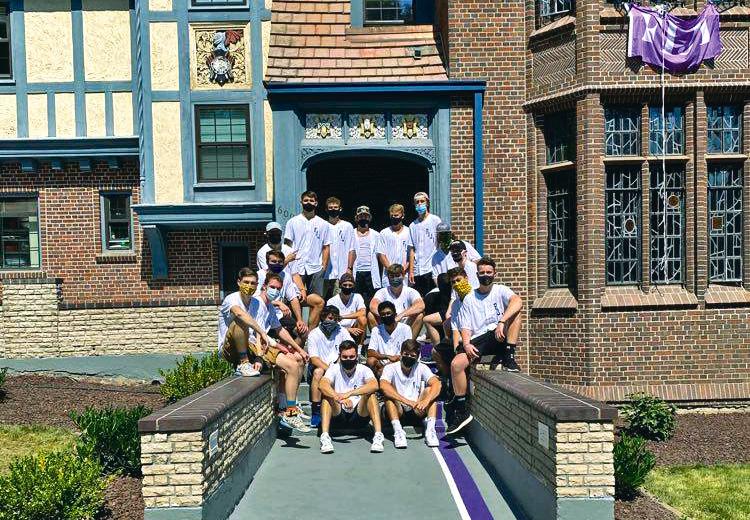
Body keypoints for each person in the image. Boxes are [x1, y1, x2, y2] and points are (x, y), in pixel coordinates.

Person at [219, 269, 310, 432]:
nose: (249, 286)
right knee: (241, 320)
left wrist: (260, 357)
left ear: (257, 285)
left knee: (293, 365)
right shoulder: (231, 299)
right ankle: (243, 363)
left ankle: (290, 412)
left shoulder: (257, 304)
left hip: (253, 346)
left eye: (253, 283)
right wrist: (262, 334)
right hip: (231, 348)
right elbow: (241, 315)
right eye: (246, 282)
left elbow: (263, 333)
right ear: (239, 282)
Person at [446, 257, 524, 436]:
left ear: (495, 274)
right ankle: (462, 409)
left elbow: (518, 301)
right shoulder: (469, 298)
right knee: (456, 365)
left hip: (499, 335)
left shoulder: (501, 290)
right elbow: (465, 326)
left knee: (516, 312)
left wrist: (502, 321)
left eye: (489, 272)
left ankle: (509, 357)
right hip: (479, 339)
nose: (485, 275)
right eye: (482, 273)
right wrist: (466, 344)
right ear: (477, 275)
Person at [318, 341, 384, 454]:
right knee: (327, 397)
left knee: (371, 394)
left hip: (359, 414)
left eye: (351, 356)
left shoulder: (364, 369)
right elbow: (322, 385)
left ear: (357, 356)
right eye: (345, 357)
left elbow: (374, 385)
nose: (348, 359)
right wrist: (339, 398)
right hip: (338, 413)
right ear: (339, 356)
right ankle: (325, 437)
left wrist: (349, 394)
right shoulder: (333, 369)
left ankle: (378, 435)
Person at [380, 339, 441, 448]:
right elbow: (383, 386)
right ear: (401, 353)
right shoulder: (390, 368)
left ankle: (430, 431)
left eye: (412, 356)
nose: (409, 357)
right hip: (398, 409)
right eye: (406, 354)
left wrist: (426, 401)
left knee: (430, 391)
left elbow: (437, 384)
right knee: (388, 396)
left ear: (417, 357)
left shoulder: (422, 367)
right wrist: (406, 401)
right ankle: (398, 431)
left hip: (416, 409)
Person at [284, 190, 330, 327]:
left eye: (311, 201)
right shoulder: (292, 222)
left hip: (315, 267)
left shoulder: (323, 224)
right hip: (297, 267)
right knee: (294, 298)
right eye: (306, 200)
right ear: (301, 202)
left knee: (316, 301)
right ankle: (295, 329)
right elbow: (287, 245)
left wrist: (324, 266)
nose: (308, 203)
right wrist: (289, 263)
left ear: (316, 203)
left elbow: (326, 246)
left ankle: (312, 332)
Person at [307, 306, 354, 428]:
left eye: (334, 319)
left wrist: (339, 364)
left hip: (338, 365)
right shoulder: (314, 334)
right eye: (329, 318)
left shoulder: (342, 331)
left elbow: (350, 347)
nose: (331, 321)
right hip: (321, 367)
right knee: (318, 372)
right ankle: (316, 411)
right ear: (323, 317)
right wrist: (331, 370)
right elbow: (314, 359)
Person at [255, 250, 308, 338]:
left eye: (280, 262)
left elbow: (293, 298)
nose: (277, 264)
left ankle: (293, 347)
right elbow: (256, 299)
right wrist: (278, 303)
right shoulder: (259, 275)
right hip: (261, 313)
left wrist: (299, 320)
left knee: (302, 332)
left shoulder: (286, 276)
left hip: (279, 315)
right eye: (273, 261)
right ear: (267, 262)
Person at [369, 264, 425, 339]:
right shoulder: (382, 291)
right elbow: (373, 306)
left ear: (403, 275)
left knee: (420, 315)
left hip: (405, 324)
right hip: (387, 323)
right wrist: (388, 317)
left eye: (397, 276)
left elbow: (420, 305)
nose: (395, 278)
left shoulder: (411, 291)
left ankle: (409, 343)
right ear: (388, 277)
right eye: (392, 276)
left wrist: (401, 315)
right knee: (370, 315)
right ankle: (379, 340)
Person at [366, 301, 413, 378]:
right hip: (382, 363)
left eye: (388, 313)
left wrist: (391, 364)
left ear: (395, 314)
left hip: (399, 362)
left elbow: (409, 351)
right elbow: (370, 352)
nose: (386, 316)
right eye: (383, 314)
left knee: (383, 372)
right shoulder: (376, 330)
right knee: (370, 361)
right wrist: (388, 357)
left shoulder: (405, 329)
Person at [408, 192, 442, 296]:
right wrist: (411, 271)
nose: (419, 204)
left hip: (432, 267)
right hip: (418, 270)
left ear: (427, 203)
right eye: (417, 202)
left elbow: (440, 242)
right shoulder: (412, 225)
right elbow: (412, 249)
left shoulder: (435, 220)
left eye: (422, 201)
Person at [323, 197, 356, 300]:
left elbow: (352, 249)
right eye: (330, 208)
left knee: (338, 301)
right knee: (320, 301)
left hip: (341, 272)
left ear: (340, 209)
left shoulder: (347, 226)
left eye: (335, 207)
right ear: (326, 210)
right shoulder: (322, 225)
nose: (333, 209)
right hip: (324, 273)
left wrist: (349, 268)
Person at [376, 203, 413, 288]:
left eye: (396, 215)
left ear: (402, 216)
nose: (394, 217)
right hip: (388, 275)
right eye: (392, 216)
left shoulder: (409, 232)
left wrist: (403, 269)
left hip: (405, 274)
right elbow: (381, 254)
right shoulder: (384, 233)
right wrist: (391, 270)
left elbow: (411, 253)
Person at [352, 205, 382, 310]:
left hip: (371, 272)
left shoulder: (376, 235)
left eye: (365, 216)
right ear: (356, 218)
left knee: (372, 301)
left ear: (369, 218)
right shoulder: (351, 234)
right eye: (360, 216)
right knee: (355, 300)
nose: (363, 218)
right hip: (356, 272)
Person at [326, 272, 367, 347]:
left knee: (362, 319)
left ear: (354, 286)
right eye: (345, 285)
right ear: (340, 285)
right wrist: (347, 329)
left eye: (350, 285)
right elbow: (330, 320)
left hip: (354, 328)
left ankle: (359, 348)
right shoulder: (332, 301)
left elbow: (363, 313)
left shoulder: (357, 297)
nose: (347, 287)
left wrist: (342, 317)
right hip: (338, 330)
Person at [422, 273, 453, 346]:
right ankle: (436, 346)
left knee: (426, 320)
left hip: (450, 316)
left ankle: (437, 346)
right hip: (441, 322)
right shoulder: (431, 296)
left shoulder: (455, 294)